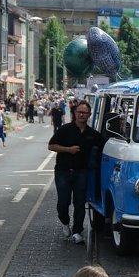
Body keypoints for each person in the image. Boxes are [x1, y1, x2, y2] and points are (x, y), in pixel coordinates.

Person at [48, 102, 105, 245]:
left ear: (89, 115)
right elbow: (51, 146)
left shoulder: (92, 134)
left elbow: (105, 145)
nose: (81, 115)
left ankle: (77, 231)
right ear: (74, 113)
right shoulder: (65, 129)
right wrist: (68, 149)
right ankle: (65, 222)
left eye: (84, 113)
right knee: (63, 202)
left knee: (80, 202)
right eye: (79, 112)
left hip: (82, 172)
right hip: (63, 171)